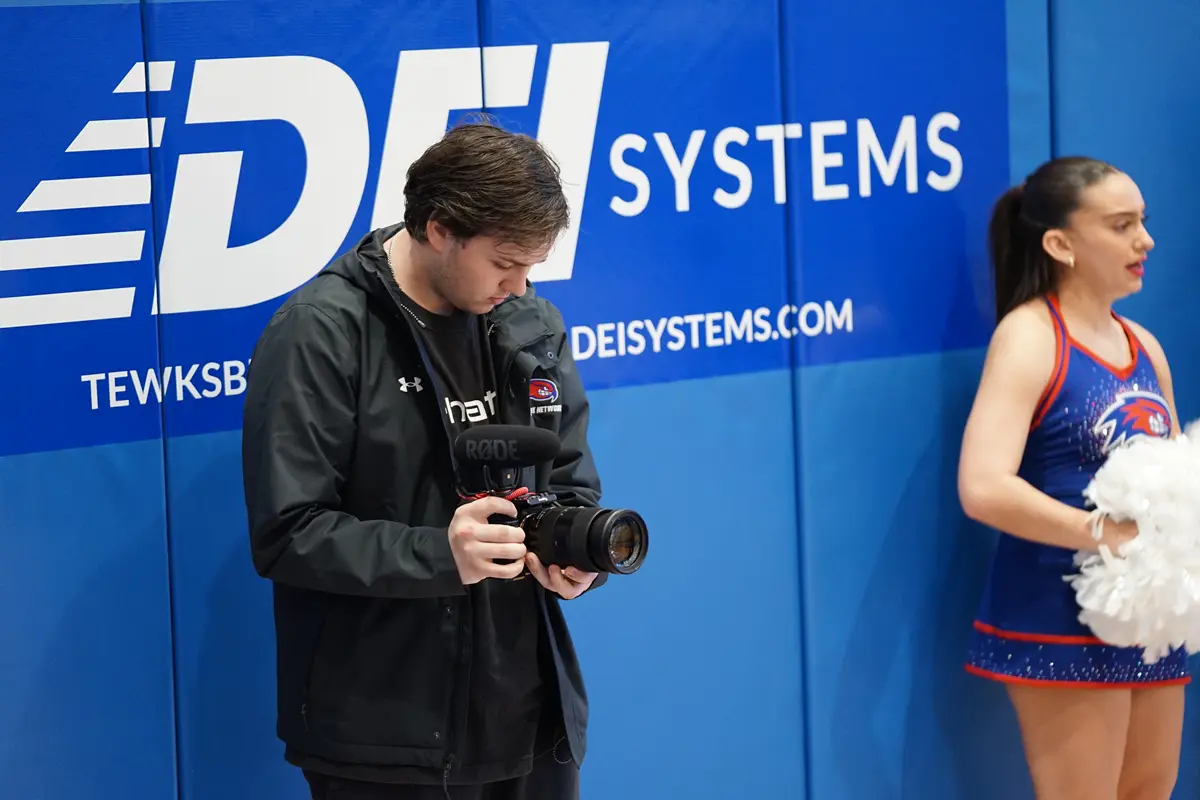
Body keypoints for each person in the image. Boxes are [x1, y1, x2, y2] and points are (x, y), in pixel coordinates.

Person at [240, 119, 608, 800]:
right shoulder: (323, 331)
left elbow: (570, 481)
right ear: (441, 228)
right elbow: (288, 533)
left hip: (529, 720)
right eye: (505, 264)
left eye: (532, 267)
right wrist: (444, 555)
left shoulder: (531, 326)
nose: (521, 287)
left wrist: (574, 554)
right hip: (385, 738)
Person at [959, 156, 1187, 799]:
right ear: (1060, 244)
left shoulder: (1143, 345)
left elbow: (1169, 475)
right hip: (1056, 606)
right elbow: (982, 486)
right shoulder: (1031, 337)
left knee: (1149, 788)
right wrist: (1102, 533)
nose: (1144, 241)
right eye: (1121, 226)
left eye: (1142, 222)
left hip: (1146, 610)